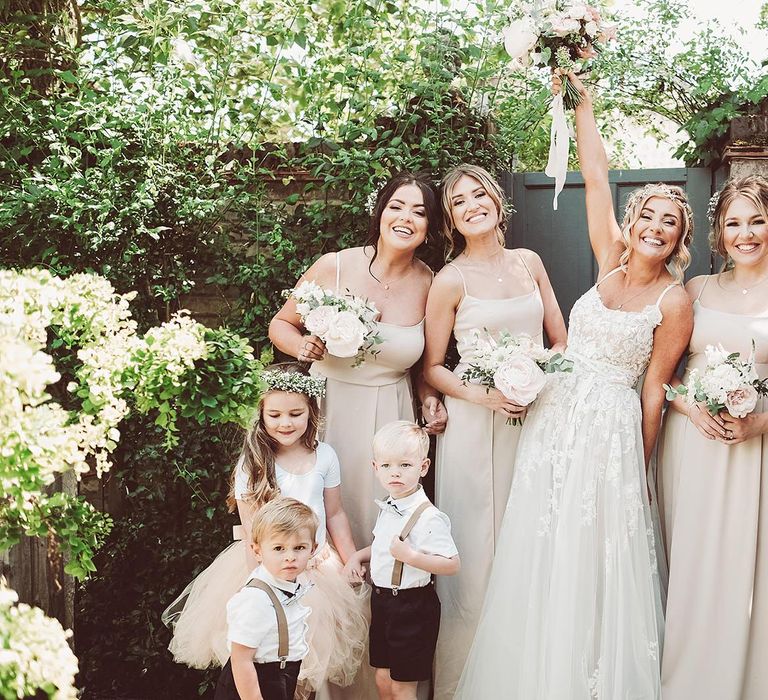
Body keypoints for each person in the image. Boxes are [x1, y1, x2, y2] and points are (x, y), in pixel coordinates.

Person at [454, 72, 693, 699]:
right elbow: (594, 173)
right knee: (543, 541)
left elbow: (654, 391)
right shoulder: (608, 256)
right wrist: (578, 97)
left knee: (597, 554)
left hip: (613, 429)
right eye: (650, 215)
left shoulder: (675, 301)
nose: (657, 227)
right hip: (556, 418)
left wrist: (638, 466)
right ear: (634, 218)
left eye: (671, 223)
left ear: (680, 239)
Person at [423, 163, 567, 699]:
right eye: (458, 202)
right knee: (477, 553)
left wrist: (539, 381)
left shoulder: (530, 263)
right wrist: (487, 395)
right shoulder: (450, 280)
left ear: (496, 198)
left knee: (530, 543)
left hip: (535, 418)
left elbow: (559, 339)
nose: (471, 205)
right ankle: (467, 683)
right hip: (474, 428)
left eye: (477, 193)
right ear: (451, 220)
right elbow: (433, 367)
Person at [269, 173, 447, 559]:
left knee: (380, 515)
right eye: (396, 206)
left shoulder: (432, 283)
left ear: (429, 227)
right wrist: (302, 345)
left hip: (391, 413)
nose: (405, 218)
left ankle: (379, 606)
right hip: (326, 409)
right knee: (321, 509)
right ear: (380, 212)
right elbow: (280, 325)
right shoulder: (334, 266)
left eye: (419, 212)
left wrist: (431, 399)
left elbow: (424, 364)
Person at [164, 364, 368, 697]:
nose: (285, 423)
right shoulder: (254, 463)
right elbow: (251, 532)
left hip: (318, 569)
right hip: (269, 568)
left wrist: (349, 559)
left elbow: (335, 513)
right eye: (274, 414)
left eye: (295, 413)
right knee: (270, 655)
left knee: (310, 661)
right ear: (261, 415)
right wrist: (260, 582)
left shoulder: (325, 456)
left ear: (311, 412)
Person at [656, 174, 768, 700]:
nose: (745, 234)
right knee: (693, 566)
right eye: (734, 224)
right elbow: (658, 373)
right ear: (719, 234)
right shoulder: (695, 291)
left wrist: (760, 421)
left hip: (756, 451)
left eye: (758, 221)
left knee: (749, 572)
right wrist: (687, 406)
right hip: (692, 447)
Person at [344, 421, 460, 700]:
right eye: (386, 466)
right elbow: (383, 547)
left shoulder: (428, 517)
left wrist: (412, 557)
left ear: (423, 467)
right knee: (382, 678)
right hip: (383, 602)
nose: (394, 472)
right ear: (375, 468)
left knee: (403, 685)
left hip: (412, 608)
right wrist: (357, 557)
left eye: (405, 465)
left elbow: (452, 563)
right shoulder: (389, 505)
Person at [214, 497, 317, 700]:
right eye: (279, 548)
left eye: (299, 548)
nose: (290, 557)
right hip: (252, 684)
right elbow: (241, 659)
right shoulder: (256, 599)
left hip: (279, 676)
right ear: (257, 551)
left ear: (313, 549)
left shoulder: (288, 585)